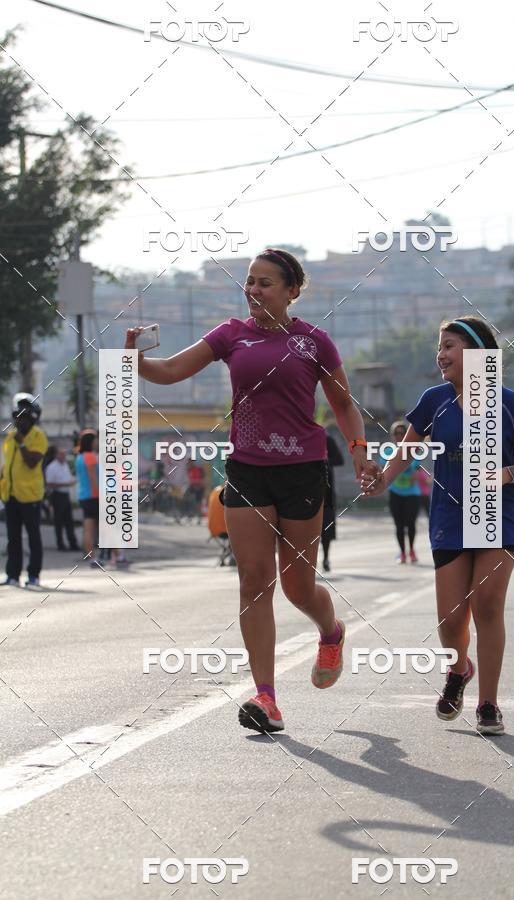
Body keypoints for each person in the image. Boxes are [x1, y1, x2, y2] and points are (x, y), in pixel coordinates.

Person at [125, 248, 379, 734]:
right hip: (246, 468)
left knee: (297, 586)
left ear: (291, 291)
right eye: (250, 281)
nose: (254, 290)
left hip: (303, 470)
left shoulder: (314, 342)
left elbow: (344, 404)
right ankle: (267, 697)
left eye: (265, 283)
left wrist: (360, 448)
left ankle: (331, 630)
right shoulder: (230, 335)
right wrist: (135, 360)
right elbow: (171, 371)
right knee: (252, 582)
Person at [363, 316, 514, 735]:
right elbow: (405, 453)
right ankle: (459, 670)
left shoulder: (509, 402)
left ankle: (488, 704)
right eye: (439, 347)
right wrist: (382, 480)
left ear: (478, 354)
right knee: (450, 620)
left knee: (486, 606)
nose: (440, 354)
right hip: (449, 516)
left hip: (500, 515)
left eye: (450, 346)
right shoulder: (434, 400)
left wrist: (505, 475)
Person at [0, 393, 48, 587]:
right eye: (16, 417)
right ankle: (12, 575)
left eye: (22, 417)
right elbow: (7, 465)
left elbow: (31, 462)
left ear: (31, 419)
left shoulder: (38, 437)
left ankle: (33, 576)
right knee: (13, 538)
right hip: (10, 495)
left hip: (30, 496)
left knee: (33, 537)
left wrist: (21, 443)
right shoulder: (10, 437)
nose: (18, 421)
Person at [384, 420, 421, 564]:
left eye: (402, 433)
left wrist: (415, 475)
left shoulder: (414, 450)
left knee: (410, 523)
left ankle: (412, 550)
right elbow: (384, 470)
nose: (399, 436)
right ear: (393, 436)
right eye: (396, 433)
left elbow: (417, 470)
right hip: (395, 493)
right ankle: (402, 553)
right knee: (399, 525)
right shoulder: (387, 451)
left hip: (412, 493)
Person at [45, 446, 80, 551]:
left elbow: (68, 477)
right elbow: (50, 484)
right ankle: (60, 544)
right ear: (56, 455)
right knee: (58, 521)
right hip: (57, 495)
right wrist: (65, 484)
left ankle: (73, 543)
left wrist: (70, 482)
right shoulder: (52, 467)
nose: (64, 457)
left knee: (69, 521)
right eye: (62, 454)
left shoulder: (65, 465)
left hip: (65, 494)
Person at [75, 429, 100, 566]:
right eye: (95, 439)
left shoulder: (79, 457)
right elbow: (92, 477)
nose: (97, 441)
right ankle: (94, 557)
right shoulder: (90, 456)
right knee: (91, 528)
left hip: (83, 495)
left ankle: (91, 557)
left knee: (87, 528)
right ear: (90, 442)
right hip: (93, 495)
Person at [321, 432, 344, 572]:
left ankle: (325, 558)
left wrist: (323, 460)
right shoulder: (298, 438)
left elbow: (340, 460)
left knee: (327, 527)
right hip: (304, 491)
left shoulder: (327, 439)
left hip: (326, 491)